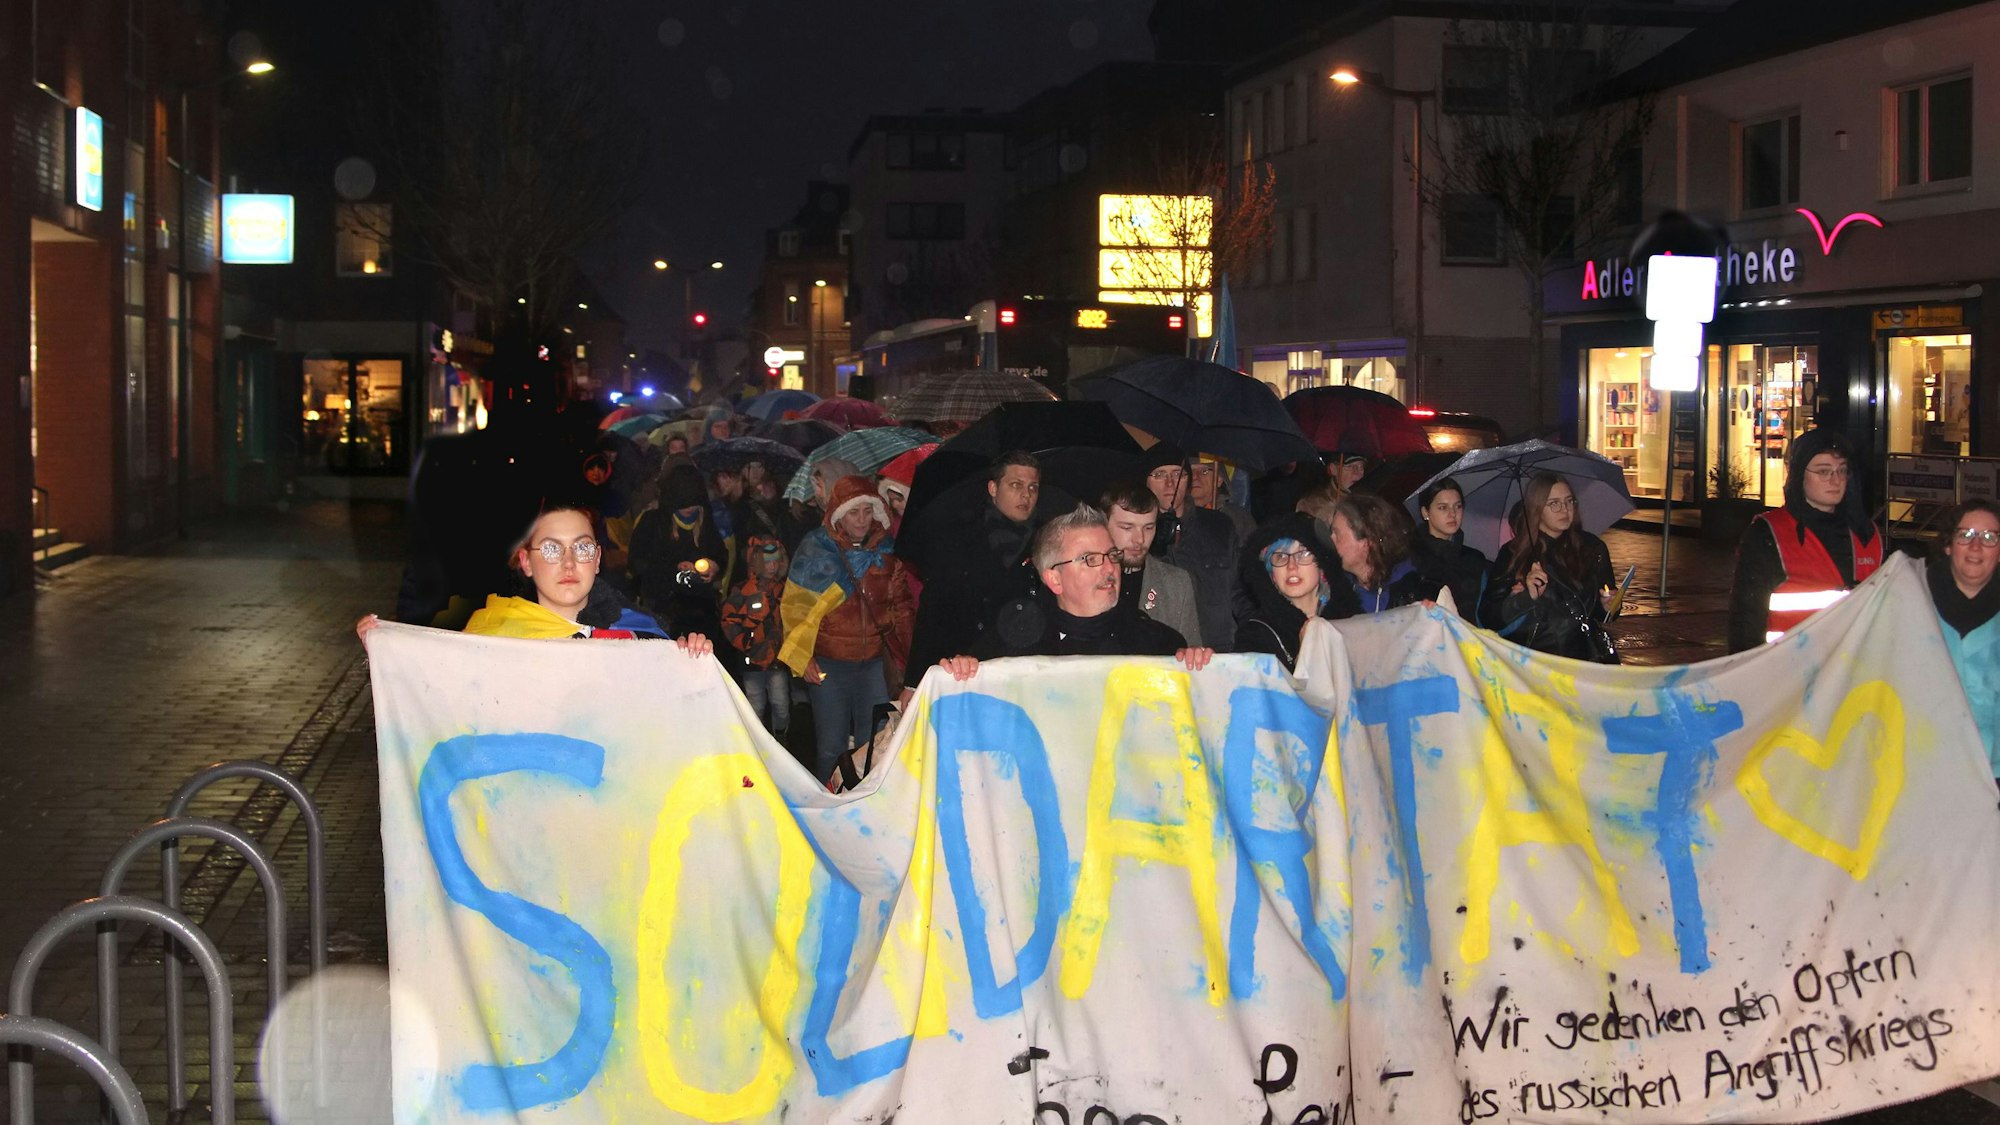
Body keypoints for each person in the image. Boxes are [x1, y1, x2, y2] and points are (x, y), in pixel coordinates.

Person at [358, 505, 711, 654]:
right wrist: (389, 651)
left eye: (583, 548)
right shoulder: (492, 637)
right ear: (526, 562)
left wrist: (689, 660)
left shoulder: (643, 636)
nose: (570, 562)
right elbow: (438, 700)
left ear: (599, 559)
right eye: (552, 549)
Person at [935, 505, 1211, 678]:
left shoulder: (1158, 644)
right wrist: (963, 672)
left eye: (1112, 555)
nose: (1108, 569)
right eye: (1090, 559)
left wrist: (1195, 668)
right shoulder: (1008, 647)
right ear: (1054, 579)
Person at [780, 476, 915, 779]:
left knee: (875, 743)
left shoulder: (886, 552)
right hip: (830, 665)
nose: (862, 520)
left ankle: (868, 805)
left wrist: (914, 663)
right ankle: (830, 808)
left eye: (868, 512)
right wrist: (804, 659)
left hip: (874, 666)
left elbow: (902, 608)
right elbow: (796, 609)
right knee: (831, 745)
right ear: (839, 513)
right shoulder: (816, 549)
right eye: (854, 512)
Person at [1727, 428, 1883, 652]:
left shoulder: (1868, 536)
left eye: (1842, 471)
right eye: (1823, 471)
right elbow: (1746, 621)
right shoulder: (1769, 534)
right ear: (1799, 474)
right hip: (1787, 674)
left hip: (1851, 675)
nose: (1835, 480)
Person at [902, 451, 1045, 689]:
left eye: (1033, 487)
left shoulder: (1046, 540)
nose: (1025, 495)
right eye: (1015, 485)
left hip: (1020, 670)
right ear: (993, 488)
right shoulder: (959, 537)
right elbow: (933, 609)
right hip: (961, 667)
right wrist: (914, 682)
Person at [1478, 471, 1619, 663]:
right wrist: (1526, 597)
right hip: (1539, 663)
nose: (1565, 509)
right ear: (1537, 508)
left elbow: (1603, 612)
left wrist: (1608, 606)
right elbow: (1490, 617)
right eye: (1554, 503)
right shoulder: (1515, 554)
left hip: (1587, 660)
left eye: (1569, 501)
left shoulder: (1592, 548)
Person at [1144, 442, 1244, 653]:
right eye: (1160, 474)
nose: (1170, 483)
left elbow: (1241, 591)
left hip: (1218, 653)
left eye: (1177, 473)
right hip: (1162, 656)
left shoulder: (1220, 526)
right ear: (1145, 482)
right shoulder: (1138, 534)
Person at [1927, 500, 2000, 786]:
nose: (1976, 547)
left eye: (1989, 537)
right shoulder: (1911, 600)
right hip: (1922, 769)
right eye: (1965, 535)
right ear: (1948, 545)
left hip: (1992, 778)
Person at [1235, 512, 1358, 670]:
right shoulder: (1256, 635)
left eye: (1303, 554)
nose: (1291, 566)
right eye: (1280, 557)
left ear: (1321, 564)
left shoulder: (1350, 619)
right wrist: (1305, 653)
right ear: (1271, 573)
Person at [631, 462, 731, 643]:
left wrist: (715, 566)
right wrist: (674, 570)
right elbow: (636, 563)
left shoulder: (705, 522)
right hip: (661, 612)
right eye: (683, 502)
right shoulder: (652, 522)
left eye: (693, 502)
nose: (688, 508)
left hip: (700, 614)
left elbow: (720, 554)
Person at [1102, 482, 1204, 646]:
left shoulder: (1176, 583)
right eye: (1127, 528)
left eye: (1148, 528)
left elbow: (1190, 651)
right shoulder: (1084, 577)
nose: (1139, 539)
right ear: (1103, 526)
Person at [722, 535, 793, 742]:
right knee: (755, 705)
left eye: (775, 561)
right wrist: (748, 640)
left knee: (781, 704)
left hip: (778, 660)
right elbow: (728, 621)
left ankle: (780, 740)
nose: (772, 567)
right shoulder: (743, 590)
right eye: (767, 561)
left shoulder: (785, 589)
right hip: (751, 659)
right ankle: (760, 745)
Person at [1328, 493, 1430, 613]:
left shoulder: (1413, 591)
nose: (1331, 539)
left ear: (1367, 541)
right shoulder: (1336, 590)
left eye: (1337, 534)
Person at [1408, 477, 1488, 617]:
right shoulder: (1409, 556)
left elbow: (1485, 612)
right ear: (1425, 512)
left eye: (1458, 506)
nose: (1452, 514)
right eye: (1443, 508)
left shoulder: (1474, 559)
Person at [1190, 456, 1254, 537]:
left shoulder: (1238, 519)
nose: (1194, 477)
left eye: (1204, 471)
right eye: (1191, 471)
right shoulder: (1177, 515)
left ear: (1219, 479)